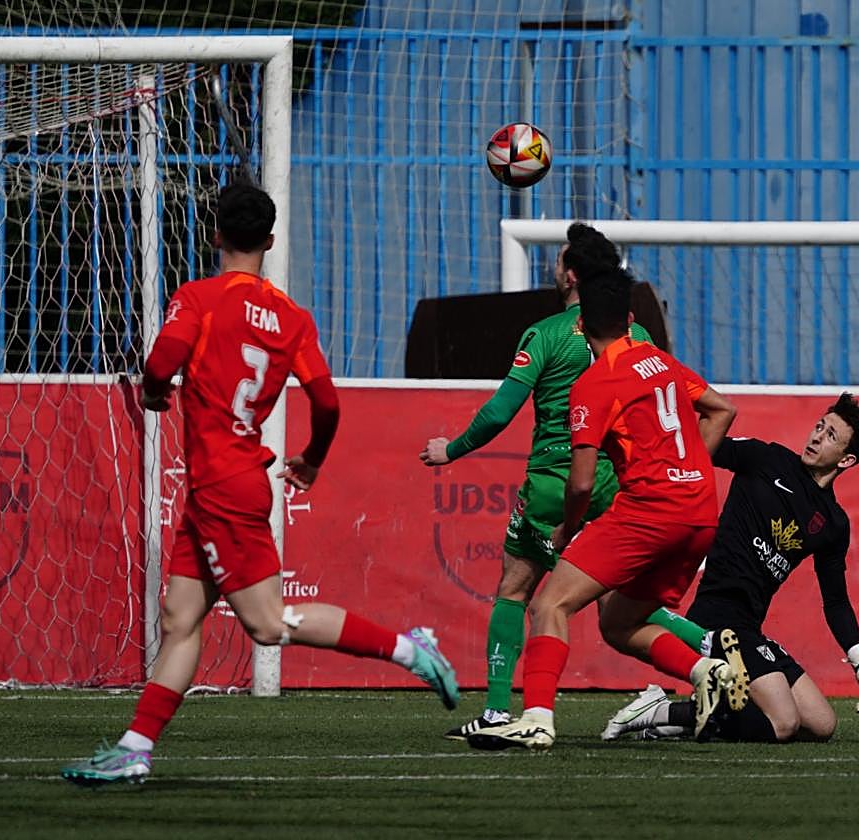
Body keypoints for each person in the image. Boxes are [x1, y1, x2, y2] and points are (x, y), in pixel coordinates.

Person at [61, 183, 459, 788]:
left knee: (268, 625)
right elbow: (325, 401)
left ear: (214, 234)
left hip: (224, 485)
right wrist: (314, 458)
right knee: (179, 619)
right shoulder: (292, 317)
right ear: (270, 242)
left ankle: (410, 648)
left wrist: (152, 390)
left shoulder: (199, 297)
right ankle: (134, 748)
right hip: (222, 485)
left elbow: (163, 359)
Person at [419, 222, 706, 740]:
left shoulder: (545, 333)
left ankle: (503, 711)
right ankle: (712, 652)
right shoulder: (634, 333)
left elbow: (501, 411)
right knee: (626, 606)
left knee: (518, 590)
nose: (552, 269)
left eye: (556, 262)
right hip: (621, 487)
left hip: (557, 483)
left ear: (570, 275)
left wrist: (452, 449)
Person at [464, 263, 742, 752]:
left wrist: (568, 531)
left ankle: (535, 717)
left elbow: (582, 483)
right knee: (618, 623)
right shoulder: (660, 360)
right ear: (632, 317)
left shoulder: (593, 384)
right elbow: (722, 409)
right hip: (700, 514)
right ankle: (707, 668)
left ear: (580, 325)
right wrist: (692, 469)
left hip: (650, 511)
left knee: (550, 603)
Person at [601, 393, 859, 744]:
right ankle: (659, 711)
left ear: (847, 458)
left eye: (830, 437)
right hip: (717, 616)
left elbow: (836, 600)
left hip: (751, 625)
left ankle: (682, 718)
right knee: (783, 723)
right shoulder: (766, 459)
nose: (816, 437)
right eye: (819, 427)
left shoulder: (833, 523)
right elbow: (699, 447)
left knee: (822, 723)